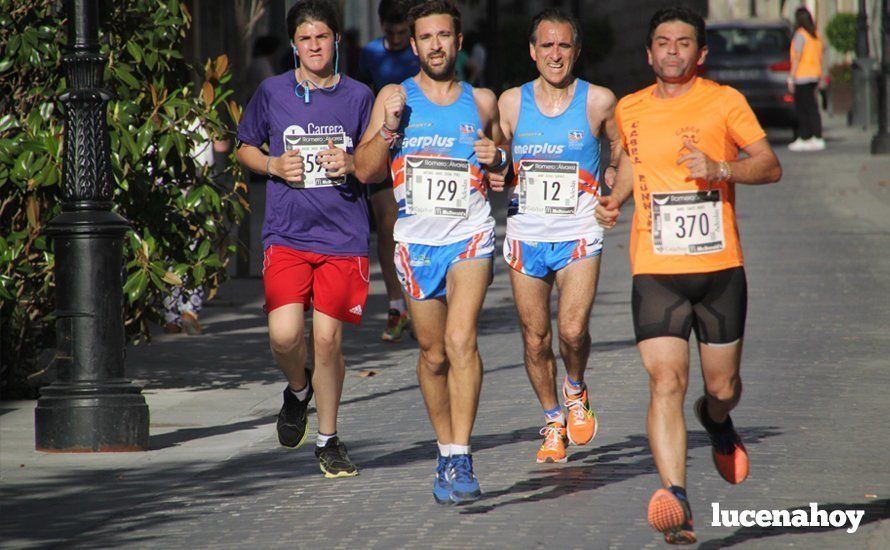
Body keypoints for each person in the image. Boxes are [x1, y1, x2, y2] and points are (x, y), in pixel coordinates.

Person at [595, 7, 782, 544]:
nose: (672, 51)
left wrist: (722, 169)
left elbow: (769, 164)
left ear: (699, 54)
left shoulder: (725, 102)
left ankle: (717, 418)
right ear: (648, 52)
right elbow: (634, 162)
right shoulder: (628, 108)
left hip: (720, 268)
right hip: (656, 268)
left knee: (721, 386)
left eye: (683, 44)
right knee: (665, 381)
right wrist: (615, 199)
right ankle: (676, 497)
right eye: (662, 42)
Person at [354, 0, 507, 504]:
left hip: (471, 234)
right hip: (417, 242)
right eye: (427, 37)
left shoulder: (481, 101)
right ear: (414, 44)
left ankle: (462, 454)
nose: (436, 45)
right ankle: (444, 452)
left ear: (458, 42)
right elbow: (366, 170)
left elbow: (506, 172)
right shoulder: (394, 97)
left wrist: (498, 157)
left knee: (462, 341)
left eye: (445, 35)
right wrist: (391, 126)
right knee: (433, 352)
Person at [235, 0, 375, 479]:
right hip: (288, 233)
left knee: (328, 339)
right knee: (285, 335)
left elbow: (376, 163)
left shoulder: (360, 97)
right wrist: (273, 164)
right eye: (305, 38)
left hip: (343, 236)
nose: (315, 45)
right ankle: (298, 391)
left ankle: (329, 440)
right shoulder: (273, 92)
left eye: (322, 37)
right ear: (294, 45)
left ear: (336, 40)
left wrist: (353, 163)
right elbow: (245, 148)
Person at [496, 8, 620, 464]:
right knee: (534, 338)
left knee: (571, 329)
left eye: (563, 45)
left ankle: (575, 388)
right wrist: (491, 169)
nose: (555, 54)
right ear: (532, 52)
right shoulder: (511, 103)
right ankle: (552, 421)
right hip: (526, 232)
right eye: (546, 45)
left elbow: (622, 140)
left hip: (579, 231)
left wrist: (613, 167)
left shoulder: (598, 101)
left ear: (576, 51)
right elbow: (492, 154)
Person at [357, 0, 421, 342]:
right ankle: (396, 305)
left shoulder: (418, 52)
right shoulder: (368, 54)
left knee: (414, 228)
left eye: (401, 32)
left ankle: (420, 302)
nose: (396, 38)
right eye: (390, 31)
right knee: (386, 228)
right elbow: (361, 95)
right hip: (384, 147)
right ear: (381, 25)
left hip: (417, 153)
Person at [787, 6, 826, 152]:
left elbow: (797, 57)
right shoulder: (815, 35)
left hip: (802, 76)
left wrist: (791, 77)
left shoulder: (800, 35)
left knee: (802, 109)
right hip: (814, 75)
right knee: (813, 107)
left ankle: (805, 137)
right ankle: (817, 137)